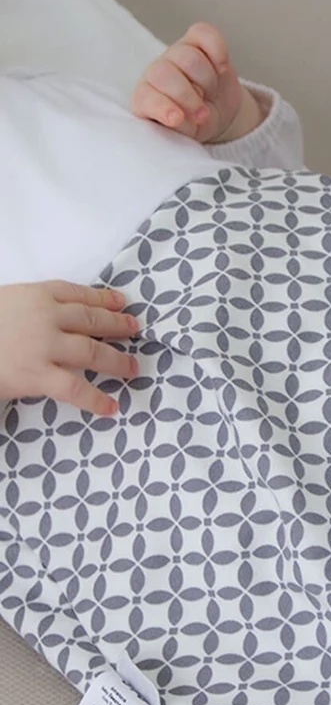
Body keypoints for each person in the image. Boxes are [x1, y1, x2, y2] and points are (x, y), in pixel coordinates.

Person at [0, 23, 302, 417]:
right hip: (163, 407)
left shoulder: (53, 93)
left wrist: (229, 126)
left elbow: (284, 186)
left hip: (309, 278)